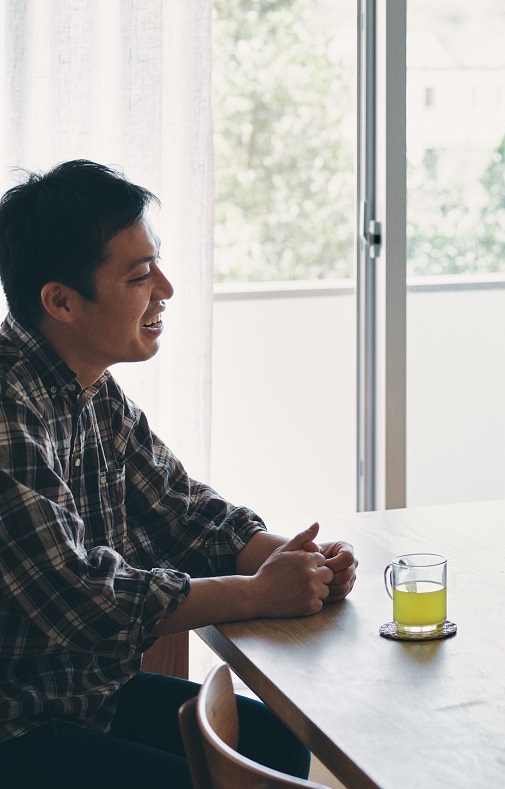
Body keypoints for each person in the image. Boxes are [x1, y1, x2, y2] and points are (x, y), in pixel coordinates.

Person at [0, 160, 359, 786]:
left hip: (86, 699)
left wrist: (304, 564)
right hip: (20, 725)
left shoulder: (91, 391)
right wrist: (258, 593)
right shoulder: (9, 408)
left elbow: (182, 511)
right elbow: (81, 597)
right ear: (61, 301)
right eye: (139, 275)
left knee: (275, 740)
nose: (164, 288)